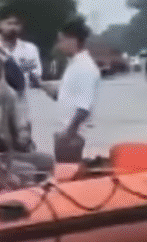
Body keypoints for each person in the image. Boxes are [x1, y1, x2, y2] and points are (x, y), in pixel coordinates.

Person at [39, 19, 102, 162]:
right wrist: (48, 90)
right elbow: (71, 97)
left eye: (61, 41)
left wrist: (68, 134)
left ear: (72, 40)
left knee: (70, 173)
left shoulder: (85, 68)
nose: (59, 46)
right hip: (68, 132)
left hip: (74, 136)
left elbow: (83, 108)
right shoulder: (74, 64)